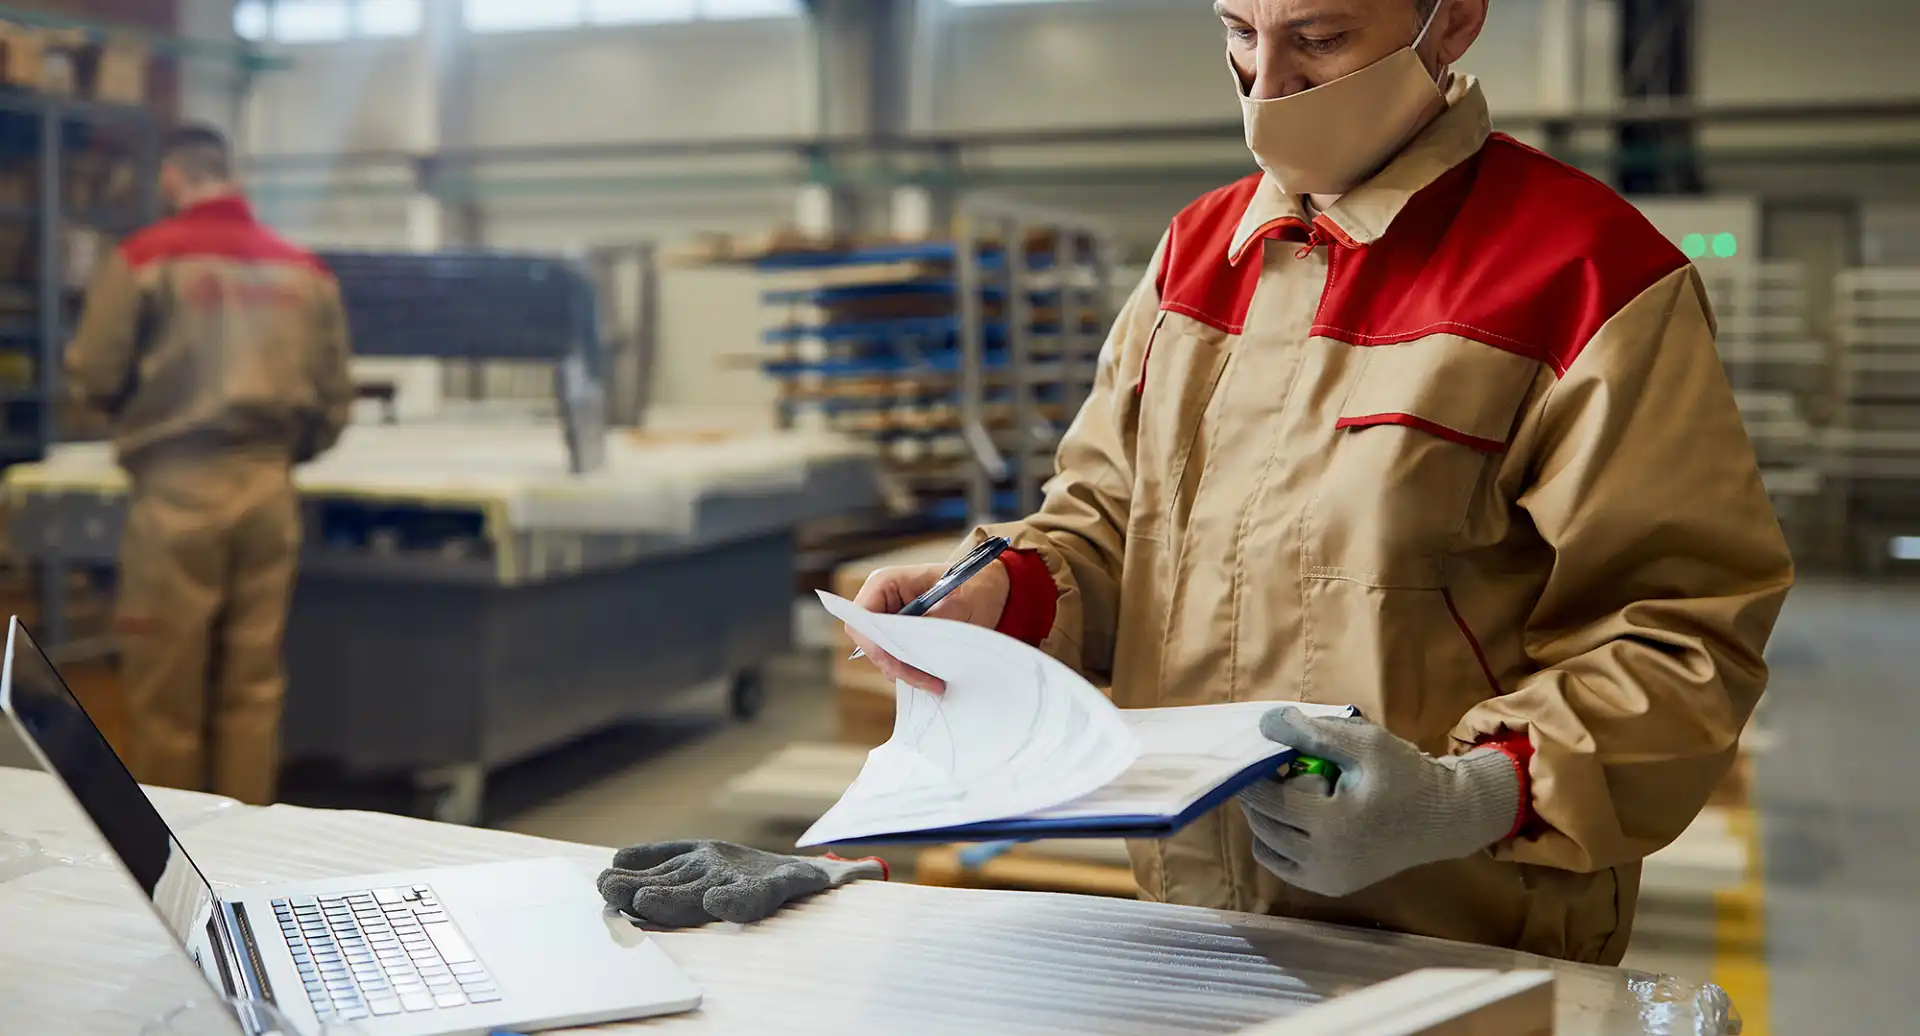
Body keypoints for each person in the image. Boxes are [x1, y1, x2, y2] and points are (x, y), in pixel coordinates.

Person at [601, 0, 1793, 965]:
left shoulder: (1587, 275)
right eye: (1237, 33)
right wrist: (1005, 595)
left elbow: (1684, 629)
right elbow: (1108, 519)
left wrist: (1466, 797)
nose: (1267, 85)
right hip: (1190, 918)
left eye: (1320, 40)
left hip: (1462, 932)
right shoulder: (1196, 255)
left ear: (1455, 20)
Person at [64, 123, 355, 806]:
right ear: (232, 173)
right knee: (253, 685)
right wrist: (281, 453)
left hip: (177, 492)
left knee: (167, 690)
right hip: (268, 488)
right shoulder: (305, 272)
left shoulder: (143, 260)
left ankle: (175, 858)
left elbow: (96, 375)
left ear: (171, 176)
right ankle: (244, 851)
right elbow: (335, 400)